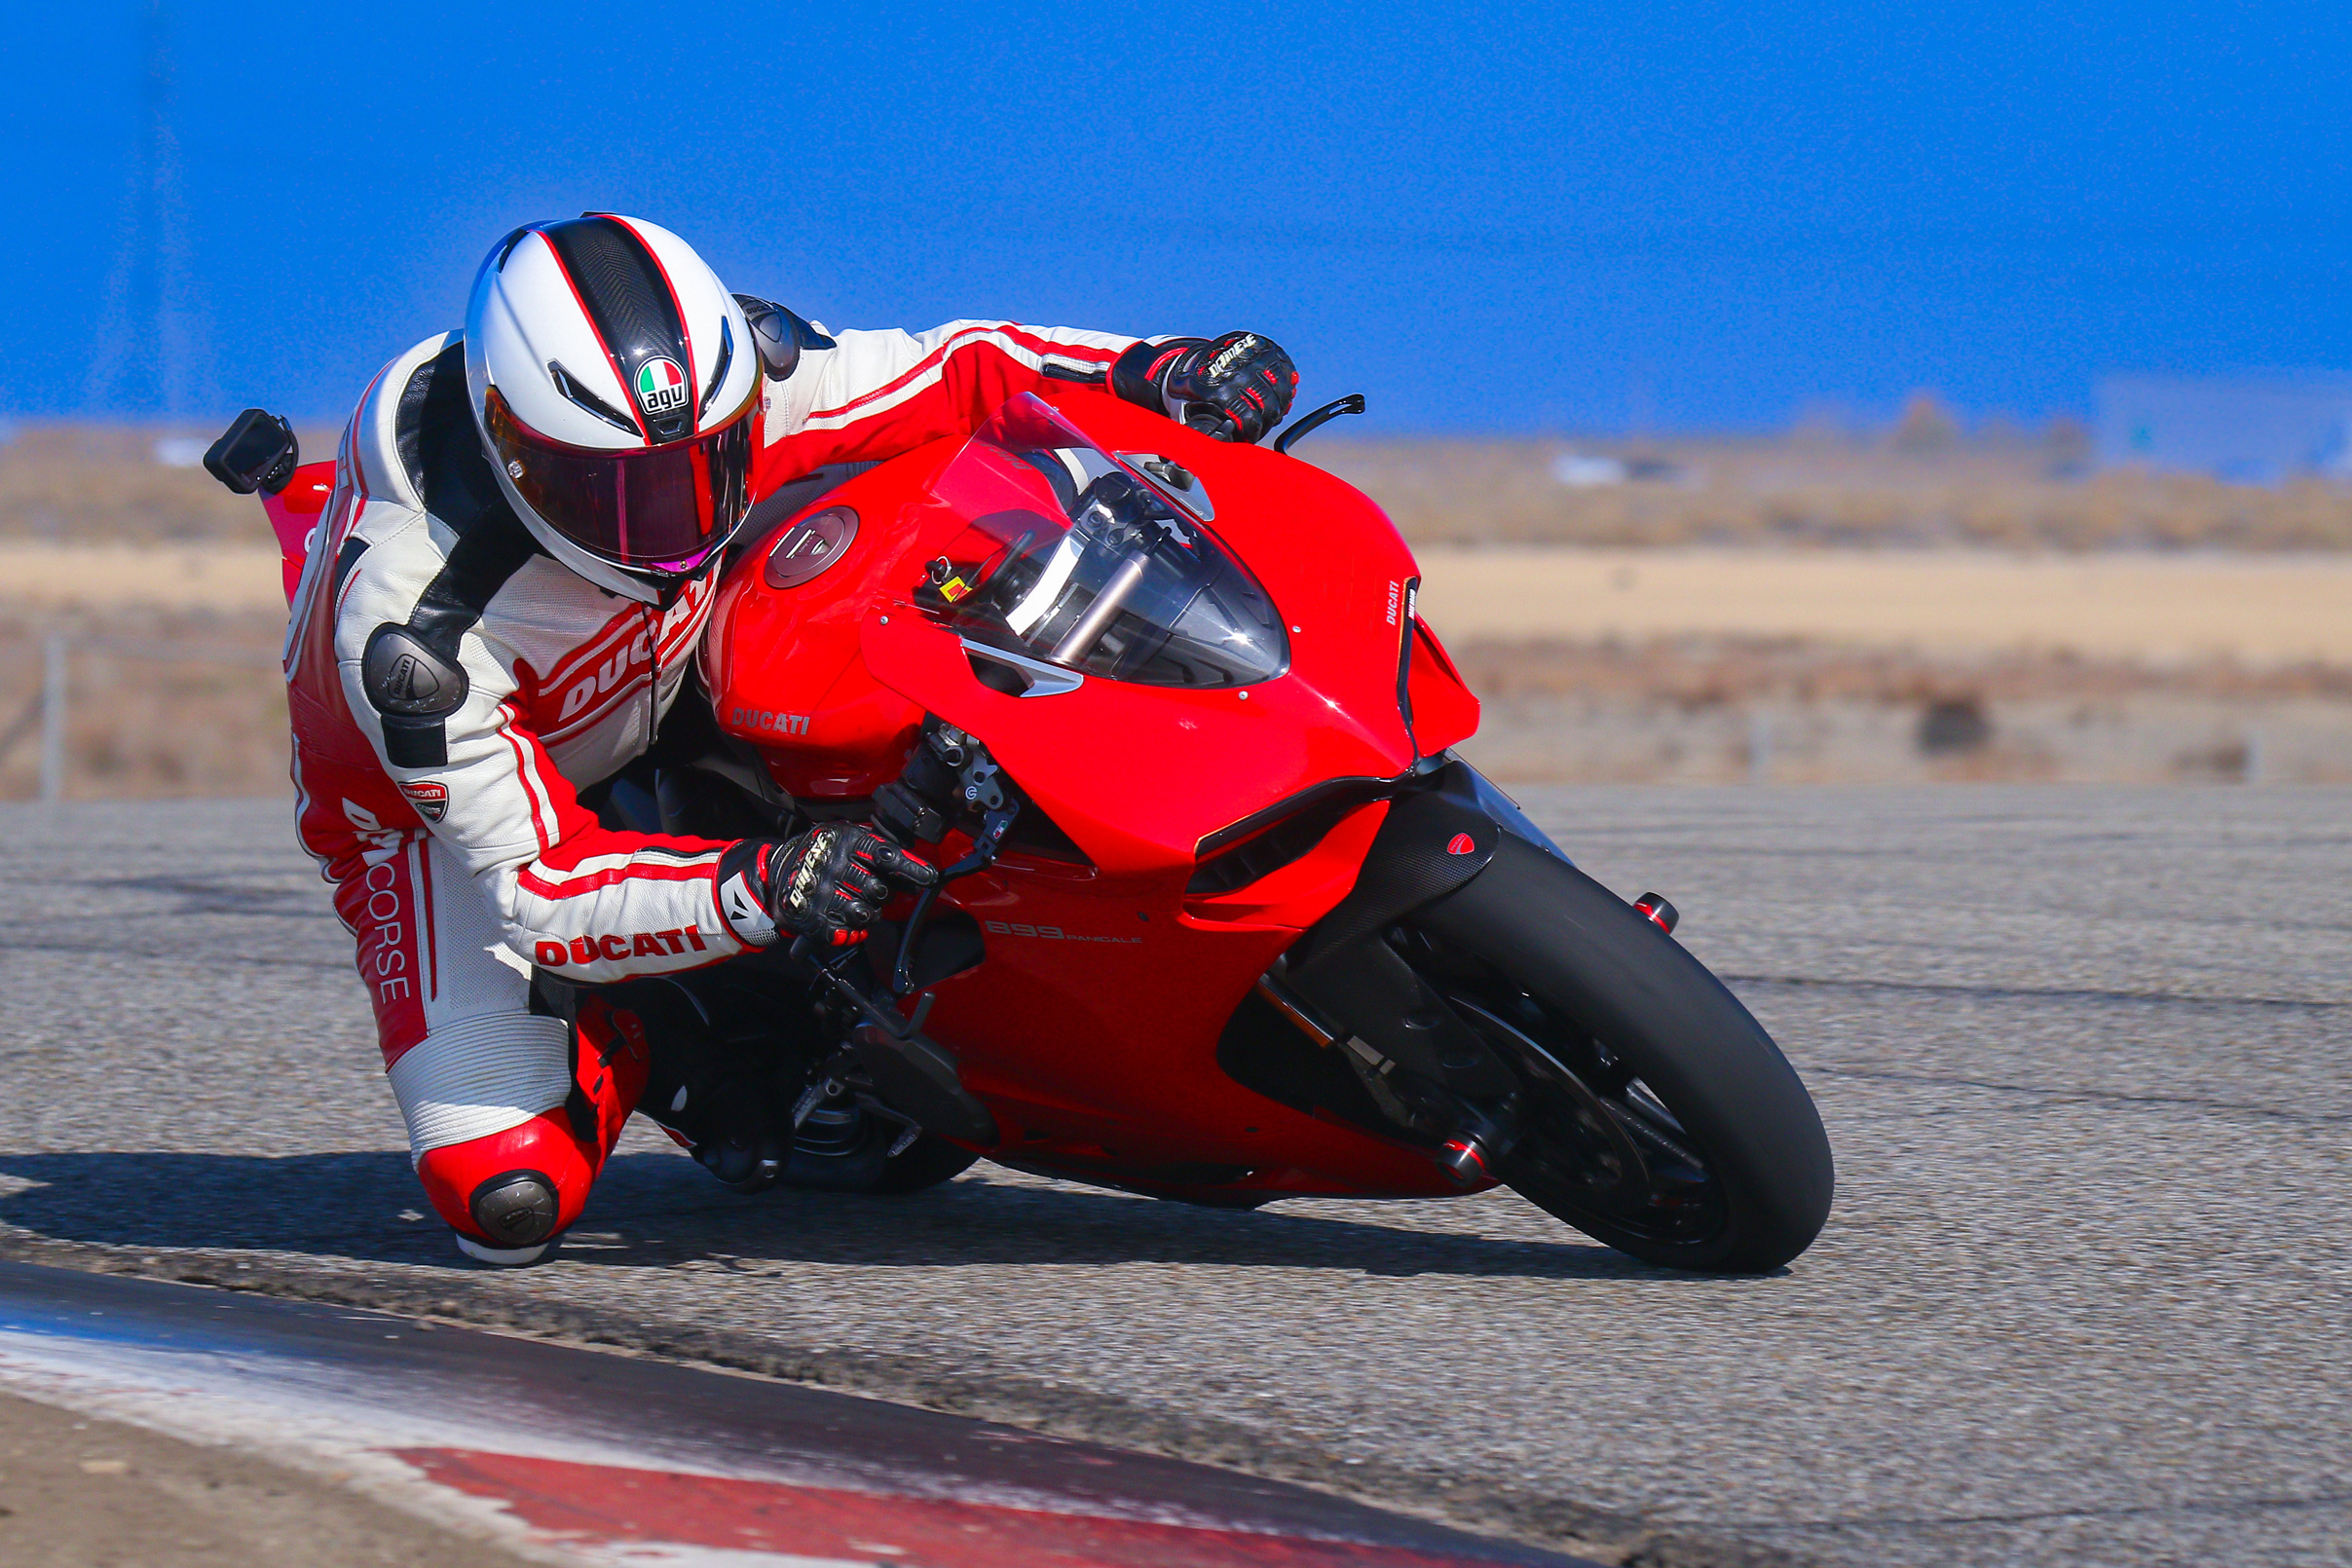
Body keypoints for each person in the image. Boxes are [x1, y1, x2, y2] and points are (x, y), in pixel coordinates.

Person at [269, 214, 1298, 1264]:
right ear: (512, 448)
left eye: (704, 463)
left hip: (680, 664)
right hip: (445, 826)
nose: (673, 520)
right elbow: (539, 890)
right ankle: (648, 1018)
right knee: (506, 1196)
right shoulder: (415, 637)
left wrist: (1154, 368)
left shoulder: (736, 386)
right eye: (618, 491)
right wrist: (761, 887)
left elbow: (954, 370)